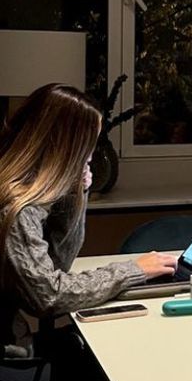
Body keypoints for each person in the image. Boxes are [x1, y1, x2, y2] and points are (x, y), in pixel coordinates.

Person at [0, 84, 177, 352]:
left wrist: (76, 193)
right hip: (11, 350)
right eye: (88, 146)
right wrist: (134, 270)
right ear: (67, 148)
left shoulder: (21, 193)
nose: (90, 157)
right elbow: (49, 297)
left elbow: (57, 266)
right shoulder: (16, 208)